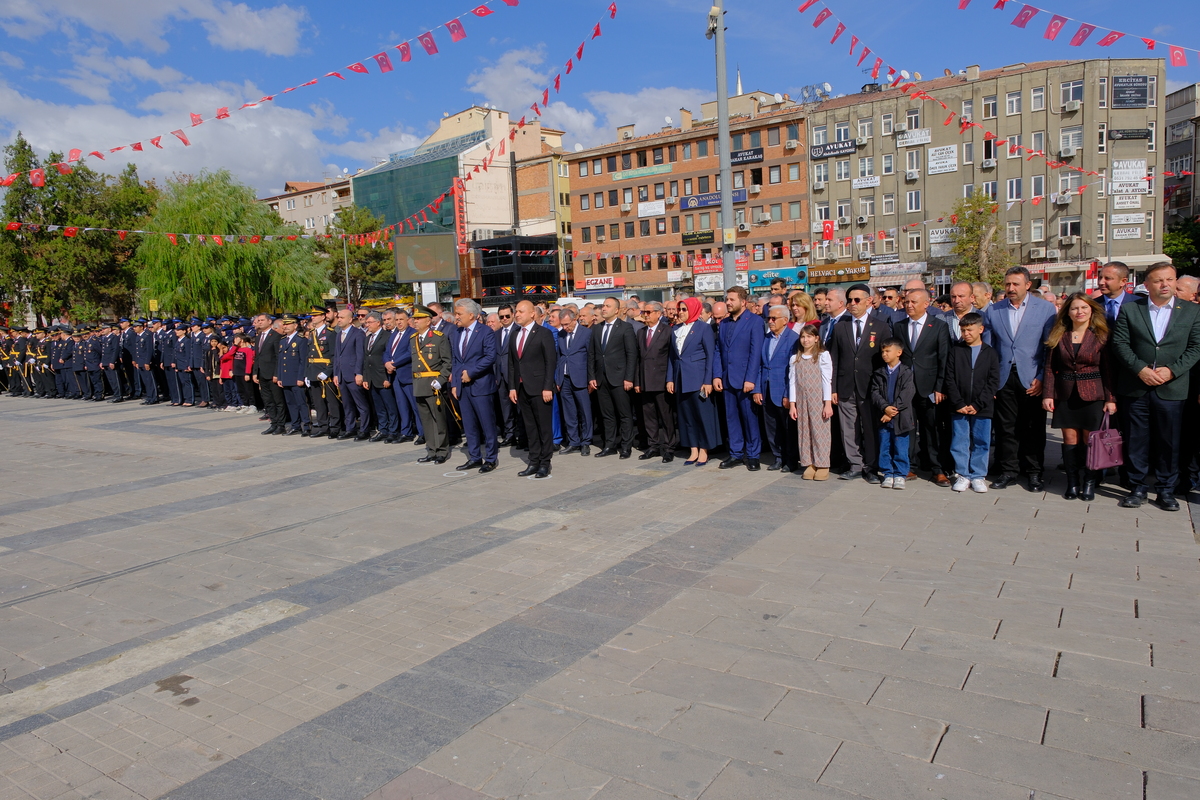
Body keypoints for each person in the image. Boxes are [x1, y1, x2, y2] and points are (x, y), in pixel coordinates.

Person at [1111, 264, 1200, 512]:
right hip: (1136, 386)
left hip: (1172, 388)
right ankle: (1137, 487)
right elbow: (1120, 344)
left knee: (1169, 442)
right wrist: (1140, 369)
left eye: (1170, 280)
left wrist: (1171, 370)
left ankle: (1165, 490)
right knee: (1136, 440)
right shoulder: (1131, 310)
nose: (1165, 285)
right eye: (1159, 280)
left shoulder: (1191, 312)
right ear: (1146, 284)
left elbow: (1196, 347)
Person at [982, 267, 1058, 491]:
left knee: (1033, 427)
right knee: (1006, 428)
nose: (1011, 288)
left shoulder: (1045, 309)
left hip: (1032, 377)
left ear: (1027, 285)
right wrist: (992, 379)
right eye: (1007, 284)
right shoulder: (994, 310)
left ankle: (1034, 472)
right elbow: (990, 347)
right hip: (1004, 377)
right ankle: (1009, 471)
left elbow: (1048, 348)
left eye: (1015, 284)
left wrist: (1043, 377)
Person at [1041, 293, 1117, 501]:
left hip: (1093, 395)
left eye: (1084, 308)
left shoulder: (1101, 335)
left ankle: (1089, 483)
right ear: (1068, 312)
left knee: (1090, 440)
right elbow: (1049, 368)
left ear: (1091, 310)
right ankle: (1072, 483)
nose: (1079, 312)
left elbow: (1108, 369)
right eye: (1075, 308)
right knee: (1070, 440)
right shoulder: (1059, 334)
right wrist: (1048, 394)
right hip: (1066, 395)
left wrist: (1111, 398)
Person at [828, 283, 891, 483]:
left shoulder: (881, 327)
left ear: (868, 301)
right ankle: (855, 464)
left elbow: (885, 361)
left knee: (870, 429)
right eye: (849, 301)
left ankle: (871, 467)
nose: (852, 304)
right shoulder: (841, 327)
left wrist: (882, 389)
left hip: (870, 387)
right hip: (846, 386)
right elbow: (835, 359)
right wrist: (834, 388)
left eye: (857, 300)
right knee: (848, 428)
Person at [894, 288, 952, 487]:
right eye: (907, 302)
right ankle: (908, 465)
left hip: (929, 387)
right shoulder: (899, 326)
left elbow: (944, 358)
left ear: (927, 304)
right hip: (906, 388)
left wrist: (940, 387)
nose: (909, 305)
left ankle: (937, 469)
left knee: (932, 429)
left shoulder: (938, 326)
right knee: (907, 428)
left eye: (914, 302)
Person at [945, 312, 1000, 493]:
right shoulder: (956, 350)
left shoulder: (990, 353)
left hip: (982, 407)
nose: (966, 333)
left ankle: (978, 475)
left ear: (980, 329)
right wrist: (958, 402)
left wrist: (978, 404)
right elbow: (950, 379)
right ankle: (962, 474)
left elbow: (993, 381)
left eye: (970, 330)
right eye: (963, 330)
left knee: (981, 440)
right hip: (959, 405)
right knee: (959, 440)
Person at [715, 286, 764, 471]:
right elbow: (719, 350)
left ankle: (753, 455)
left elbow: (755, 352)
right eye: (727, 299)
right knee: (731, 418)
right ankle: (736, 453)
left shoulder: (754, 321)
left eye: (732, 300)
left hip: (745, 379)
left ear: (743, 302)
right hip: (727, 379)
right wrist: (717, 375)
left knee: (749, 418)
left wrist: (750, 379)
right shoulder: (725, 323)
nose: (728, 302)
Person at [508, 299, 558, 478]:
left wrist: (547, 387)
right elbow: (512, 363)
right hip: (521, 388)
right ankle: (533, 460)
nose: (517, 314)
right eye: (516, 311)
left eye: (521, 311)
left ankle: (545, 462)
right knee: (530, 427)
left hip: (539, 388)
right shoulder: (514, 334)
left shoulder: (543, 333)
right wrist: (512, 387)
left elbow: (550, 361)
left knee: (543, 427)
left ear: (532, 314)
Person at [668, 297, 720, 466]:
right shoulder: (675, 329)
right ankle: (693, 449)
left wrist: (708, 380)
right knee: (686, 417)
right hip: (681, 379)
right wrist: (670, 379)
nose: (680, 313)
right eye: (679, 309)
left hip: (698, 379)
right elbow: (672, 357)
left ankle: (704, 450)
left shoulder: (703, 328)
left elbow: (710, 355)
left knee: (702, 416)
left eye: (684, 309)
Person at [450, 298, 498, 473]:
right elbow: (456, 360)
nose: (456, 317)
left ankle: (491, 458)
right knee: (469, 425)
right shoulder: (457, 332)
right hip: (463, 387)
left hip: (481, 385)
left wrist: (471, 372)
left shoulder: (485, 332)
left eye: (459, 314)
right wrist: (455, 383)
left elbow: (490, 357)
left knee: (487, 424)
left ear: (471, 315)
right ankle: (475, 457)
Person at [588, 296, 638, 459]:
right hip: (601, 378)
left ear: (616, 310)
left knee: (624, 414)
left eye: (607, 306)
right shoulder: (596, 328)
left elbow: (631, 354)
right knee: (607, 415)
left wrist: (629, 378)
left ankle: (626, 446)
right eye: (603, 306)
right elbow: (592, 354)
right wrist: (592, 376)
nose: (603, 308)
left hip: (619, 378)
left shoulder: (625, 328)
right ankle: (609, 445)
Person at [756, 305, 799, 472]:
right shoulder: (766, 338)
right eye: (769, 318)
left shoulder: (793, 338)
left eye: (774, 318)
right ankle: (778, 457)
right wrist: (757, 389)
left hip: (783, 391)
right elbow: (760, 364)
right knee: (771, 427)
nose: (770, 321)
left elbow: (792, 370)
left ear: (785, 320)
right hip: (766, 388)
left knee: (788, 429)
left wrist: (789, 394)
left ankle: (791, 460)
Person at [787, 324, 833, 480]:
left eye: (809, 337)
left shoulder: (822, 356)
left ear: (816, 338)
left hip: (817, 398)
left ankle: (822, 463)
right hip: (801, 399)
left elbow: (827, 380)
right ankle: (809, 462)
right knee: (804, 431)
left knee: (819, 430)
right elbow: (792, 382)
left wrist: (827, 403)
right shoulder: (795, 358)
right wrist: (792, 405)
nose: (805, 340)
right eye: (803, 337)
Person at [409, 305, 453, 464]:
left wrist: (441, 380)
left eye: (418, 318)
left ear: (428, 321)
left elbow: (447, 363)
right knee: (426, 420)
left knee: (438, 419)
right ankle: (432, 450)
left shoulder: (438, 337)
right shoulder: (413, 339)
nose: (415, 321)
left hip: (433, 384)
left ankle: (442, 450)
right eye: (414, 318)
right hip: (419, 384)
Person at [871, 338, 915, 489]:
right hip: (883, 417)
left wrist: (892, 411)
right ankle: (888, 473)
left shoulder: (906, 372)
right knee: (885, 445)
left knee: (900, 446)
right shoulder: (879, 373)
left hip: (901, 418)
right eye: (883, 351)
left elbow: (907, 394)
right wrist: (885, 408)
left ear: (899, 352)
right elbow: (875, 393)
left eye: (888, 351)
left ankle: (900, 474)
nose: (884, 354)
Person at [635, 302, 675, 463]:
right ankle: (653, 446)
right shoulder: (641, 332)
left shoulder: (667, 331)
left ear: (659, 314)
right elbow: (638, 359)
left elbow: (671, 357)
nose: (645, 315)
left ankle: (668, 447)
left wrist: (669, 380)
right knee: (648, 416)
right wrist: (637, 381)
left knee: (665, 416)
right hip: (645, 380)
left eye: (649, 312)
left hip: (661, 380)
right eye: (644, 312)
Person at [556, 306, 593, 457]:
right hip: (564, 379)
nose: (565, 327)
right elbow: (559, 357)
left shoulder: (586, 333)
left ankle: (586, 442)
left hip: (580, 378)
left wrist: (591, 378)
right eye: (563, 325)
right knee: (569, 412)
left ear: (574, 319)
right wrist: (558, 378)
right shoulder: (561, 335)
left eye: (567, 324)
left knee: (584, 411)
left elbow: (591, 357)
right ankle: (573, 442)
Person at [333, 308, 370, 441]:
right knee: (347, 404)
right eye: (338, 317)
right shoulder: (339, 334)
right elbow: (337, 355)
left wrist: (359, 373)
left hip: (353, 374)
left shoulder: (357, 333)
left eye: (342, 317)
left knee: (361, 404)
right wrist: (336, 373)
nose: (339, 319)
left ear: (350, 319)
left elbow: (360, 355)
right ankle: (350, 428)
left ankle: (365, 429)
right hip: (342, 375)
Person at [306, 308, 341, 439]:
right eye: (312, 316)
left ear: (323, 317)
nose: (312, 318)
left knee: (331, 402)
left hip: (326, 372)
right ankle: (323, 426)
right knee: (318, 402)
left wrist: (327, 372)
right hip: (313, 371)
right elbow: (308, 355)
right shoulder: (312, 333)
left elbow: (334, 355)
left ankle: (335, 427)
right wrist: (306, 374)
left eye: (315, 315)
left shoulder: (330, 333)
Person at [386, 309, 419, 443]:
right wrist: (387, 362)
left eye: (401, 319)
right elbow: (387, 351)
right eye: (397, 320)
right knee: (402, 405)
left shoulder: (412, 333)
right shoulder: (394, 334)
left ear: (408, 320)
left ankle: (422, 433)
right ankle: (406, 432)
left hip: (407, 374)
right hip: (396, 376)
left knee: (415, 406)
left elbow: (410, 352)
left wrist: (394, 363)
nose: (399, 322)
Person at [361, 311, 395, 442]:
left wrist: (387, 377)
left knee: (390, 406)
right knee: (379, 407)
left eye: (369, 322)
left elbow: (388, 357)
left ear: (378, 322)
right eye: (366, 322)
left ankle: (393, 430)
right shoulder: (368, 338)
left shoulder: (387, 336)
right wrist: (365, 377)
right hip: (371, 378)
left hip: (383, 377)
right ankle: (383, 429)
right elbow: (366, 359)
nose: (367, 324)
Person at [274, 316, 310, 435]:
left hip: (296, 377)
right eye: (284, 324)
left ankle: (306, 425)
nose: (285, 326)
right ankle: (295, 425)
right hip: (286, 377)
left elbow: (303, 360)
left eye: (288, 324)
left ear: (295, 325)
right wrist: (280, 377)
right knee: (291, 403)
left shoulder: (301, 340)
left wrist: (301, 378)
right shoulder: (283, 340)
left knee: (301, 402)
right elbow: (280, 361)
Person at [493, 304, 523, 447]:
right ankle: (509, 434)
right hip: (500, 376)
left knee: (519, 407)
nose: (504, 319)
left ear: (513, 315)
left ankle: (521, 435)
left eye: (507, 316)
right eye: (501, 317)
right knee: (505, 407)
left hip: (515, 375)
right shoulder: (496, 334)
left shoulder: (519, 331)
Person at [252, 314, 284, 432]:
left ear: (269, 321)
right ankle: (273, 423)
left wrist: (276, 373)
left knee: (278, 400)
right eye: (258, 320)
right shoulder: (259, 336)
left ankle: (281, 425)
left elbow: (277, 357)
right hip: (262, 373)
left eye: (262, 320)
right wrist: (255, 372)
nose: (259, 322)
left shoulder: (276, 336)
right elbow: (257, 356)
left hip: (272, 373)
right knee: (268, 400)